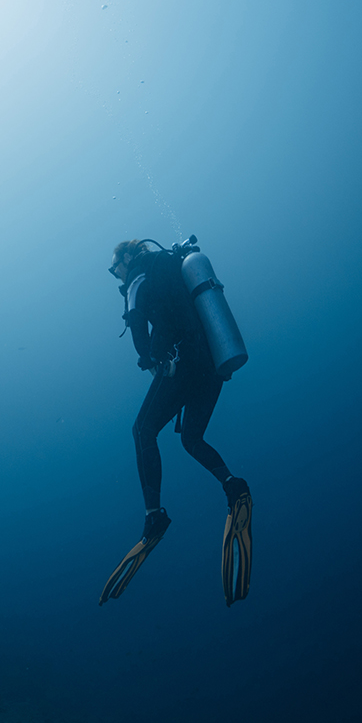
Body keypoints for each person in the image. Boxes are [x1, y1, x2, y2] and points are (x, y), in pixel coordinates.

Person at [99, 239, 252, 606]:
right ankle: (234, 488)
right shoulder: (174, 264)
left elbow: (137, 321)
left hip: (182, 364)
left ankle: (154, 516)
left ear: (127, 257)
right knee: (191, 438)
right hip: (212, 361)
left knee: (142, 430)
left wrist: (146, 357)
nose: (115, 274)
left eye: (113, 267)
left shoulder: (139, 274)